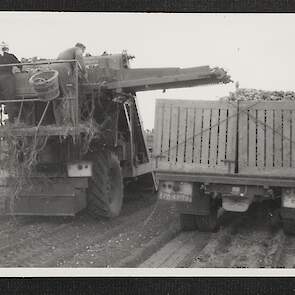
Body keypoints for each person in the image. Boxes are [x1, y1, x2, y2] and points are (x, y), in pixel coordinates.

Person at [51, 43, 88, 125]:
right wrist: (84, 72)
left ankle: (59, 123)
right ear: (82, 48)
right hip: (64, 69)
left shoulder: (65, 52)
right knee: (70, 95)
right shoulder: (77, 49)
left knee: (57, 96)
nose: (83, 52)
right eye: (84, 51)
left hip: (54, 69)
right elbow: (80, 59)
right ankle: (72, 122)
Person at [0, 41, 22, 122]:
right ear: (7, 48)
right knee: (10, 99)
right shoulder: (10, 56)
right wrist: (20, 70)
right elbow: (19, 65)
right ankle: (11, 121)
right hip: (7, 78)